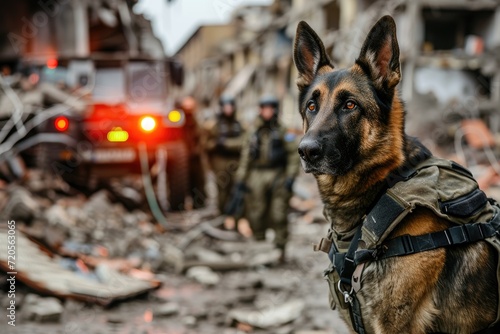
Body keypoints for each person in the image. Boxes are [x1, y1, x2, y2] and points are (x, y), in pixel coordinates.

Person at [234, 94, 300, 261]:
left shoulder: (283, 130)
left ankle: (280, 247)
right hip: (257, 174)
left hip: (277, 173)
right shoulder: (253, 131)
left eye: (270, 109)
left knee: (278, 213)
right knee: (256, 211)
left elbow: (293, 154)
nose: (267, 112)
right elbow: (246, 156)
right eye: (264, 109)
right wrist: (241, 179)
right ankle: (260, 244)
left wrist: (291, 177)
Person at [204, 95, 244, 222]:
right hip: (219, 161)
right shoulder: (213, 126)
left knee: (236, 189)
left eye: (230, 106)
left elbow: (245, 142)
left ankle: (235, 218)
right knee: (222, 190)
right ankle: (222, 217)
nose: (228, 109)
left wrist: (226, 143)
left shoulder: (239, 124)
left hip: (235, 161)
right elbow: (205, 145)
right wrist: (216, 144)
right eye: (225, 107)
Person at [181, 96, 207, 209]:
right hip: (182, 158)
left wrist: (198, 149)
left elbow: (202, 137)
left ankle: (199, 204)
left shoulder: (197, 122)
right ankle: (181, 204)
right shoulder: (179, 123)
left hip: (195, 158)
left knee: (198, 181)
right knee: (183, 181)